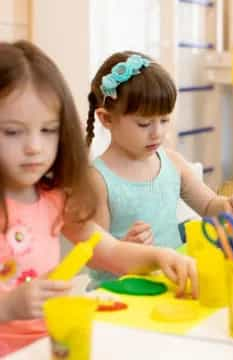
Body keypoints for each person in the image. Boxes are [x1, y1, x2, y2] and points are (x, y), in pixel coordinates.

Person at [0, 41, 197, 355]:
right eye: (12, 132)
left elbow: (108, 250)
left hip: (50, 344)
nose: (34, 147)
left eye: (48, 130)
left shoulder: (52, 199)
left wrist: (161, 257)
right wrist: (8, 306)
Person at [85, 51, 233, 286]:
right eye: (144, 123)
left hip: (172, 284)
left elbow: (208, 206)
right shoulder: (97, 180)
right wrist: (125, 247)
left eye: (164, 120)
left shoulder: (172, 162)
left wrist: (230, 205)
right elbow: (93, 256)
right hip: (119, 294)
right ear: (106, 119)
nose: (157, 132)